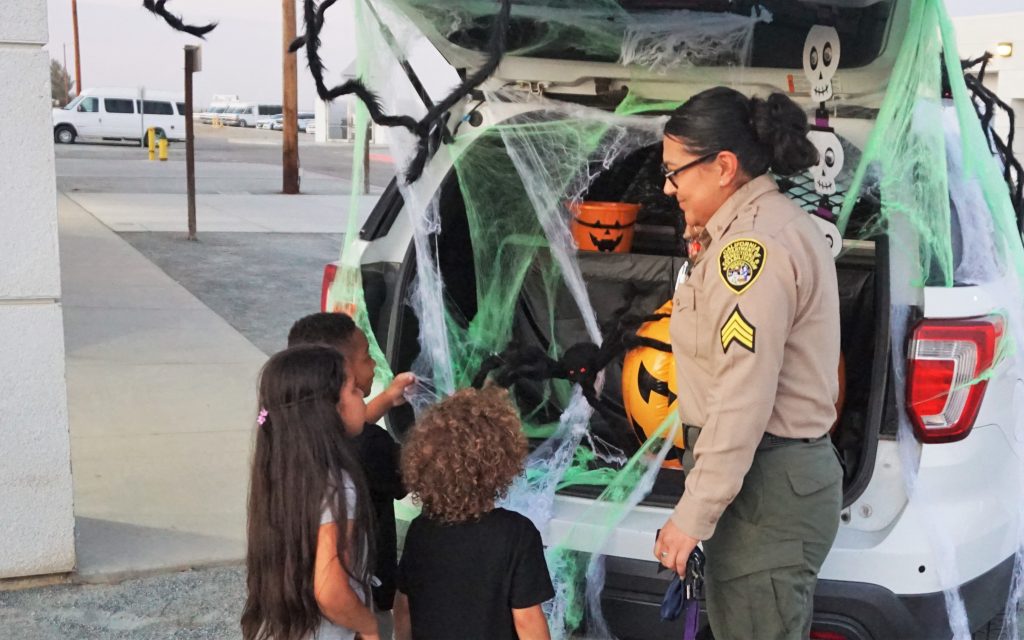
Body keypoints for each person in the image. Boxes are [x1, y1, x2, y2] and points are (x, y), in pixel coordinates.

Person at [652, 86, 844, 639]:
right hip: (756, 485)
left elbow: (742, 395)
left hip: (766, 489)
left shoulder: (752, 249)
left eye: (674, 172)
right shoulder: (743, 232)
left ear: (723, 167)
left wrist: (693, 516)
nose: (667, 188)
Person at [288, 312, 415, 637]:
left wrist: (386, 398)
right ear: (340, 376)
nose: (373, 366)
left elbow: (351, 426)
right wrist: (368, 627)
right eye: (367, 358)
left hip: (300, 611)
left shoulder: (291, 445)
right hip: (357, 608)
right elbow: (331, 590)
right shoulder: (364, 454)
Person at [240, 344, 379, 640]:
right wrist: (368, 626)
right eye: (354, 389)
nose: (362, 396)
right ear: (328, 411)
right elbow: (330, 592)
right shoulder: (338, 487)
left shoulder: (282, 473)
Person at [393, 387, 554, 640]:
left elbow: (404, 608)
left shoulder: (421, 529)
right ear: (500, 464)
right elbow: (527, 621)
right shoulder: (516, 534)